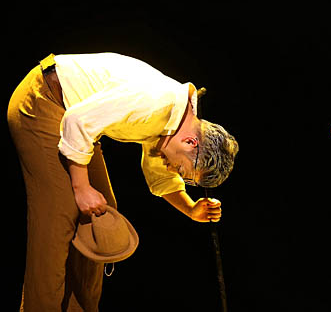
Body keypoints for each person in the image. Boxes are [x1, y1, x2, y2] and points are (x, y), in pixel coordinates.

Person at [7, 52, 239, 312]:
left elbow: (160, 174)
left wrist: (190, 209)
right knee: (59, 217)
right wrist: (81, 188)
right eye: (183, 170)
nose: (175, 171)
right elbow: (76, 120)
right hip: (44, 101)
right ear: (190, 142)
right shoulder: (155, 101)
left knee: (101, 217)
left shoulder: (175, 122)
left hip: (76, 123)